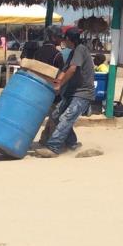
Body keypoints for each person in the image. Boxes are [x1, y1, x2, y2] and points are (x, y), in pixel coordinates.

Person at [35, 28, 95, 158]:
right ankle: (72, 144)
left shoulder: (80, 49)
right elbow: (64, 70)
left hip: (82, 93)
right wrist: (57, 83)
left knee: (66, 118)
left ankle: (53, 147)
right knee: (56, 116)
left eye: (64, 39)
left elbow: (73, 69)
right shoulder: (73, 52)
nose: (63, 41)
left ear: (68, 39)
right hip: (71, 92)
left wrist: (60, 84)